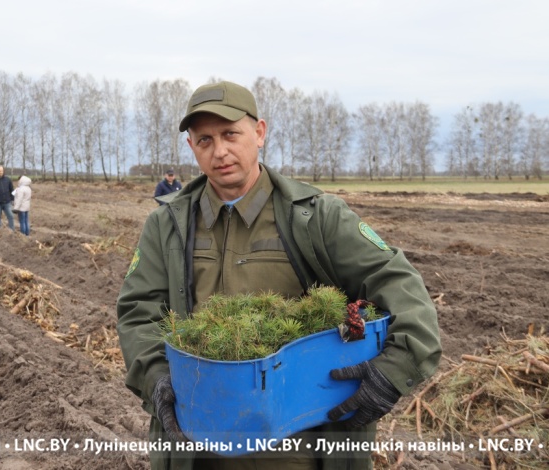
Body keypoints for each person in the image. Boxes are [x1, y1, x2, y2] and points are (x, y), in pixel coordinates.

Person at [116, 81, 441, 470]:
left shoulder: (315, 217)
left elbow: (398, 283)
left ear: (259, 133)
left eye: (230, 134)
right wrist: (156, 378)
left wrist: (392, 373)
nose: (219, 151)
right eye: (204, 140)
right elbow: (139, 311)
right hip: (199, 446)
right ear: (191, 147)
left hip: (302, 452)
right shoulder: (167, 225)